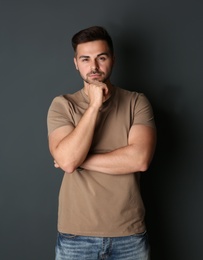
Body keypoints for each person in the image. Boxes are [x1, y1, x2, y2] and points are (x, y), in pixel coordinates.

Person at [47, 25, 156, 260]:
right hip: (75, 236)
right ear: (76, 63)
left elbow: (140, 159)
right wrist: (95, 105)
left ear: (113, 60)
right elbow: (66, 161)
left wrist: (79, 160)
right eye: (85, 59)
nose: (93, 67)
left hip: (129, 234)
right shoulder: (62, 105)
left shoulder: (136, 102)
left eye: (101, 57)